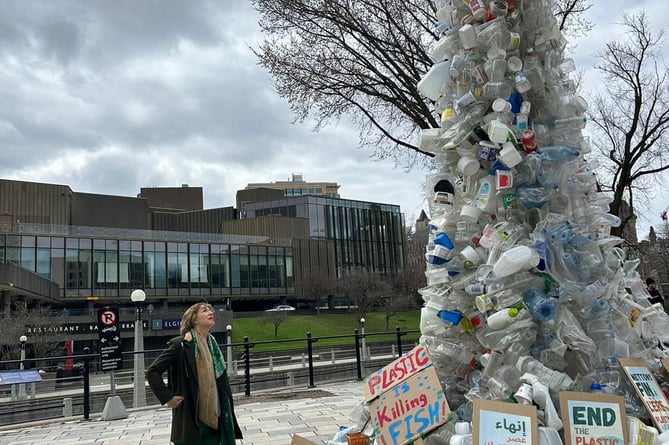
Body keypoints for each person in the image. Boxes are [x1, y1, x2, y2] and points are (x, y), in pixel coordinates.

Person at [147, 302, 242, 445]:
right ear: (194, 319)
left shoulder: (213, 345)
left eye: (210, 310)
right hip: (193, 418)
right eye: (204, 311)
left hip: (217, 415)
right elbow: (152, 372)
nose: (210, 312)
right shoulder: (181, 345)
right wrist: (168, 397)